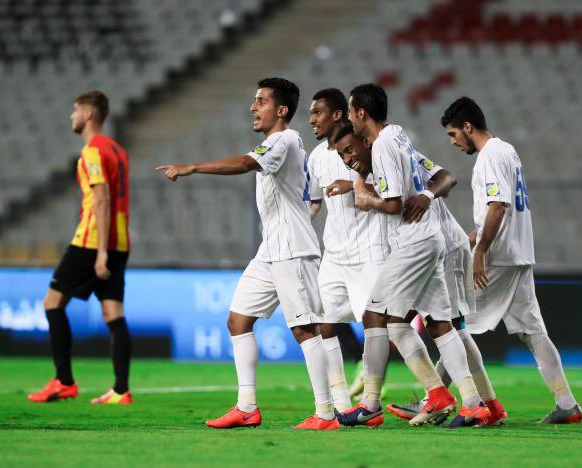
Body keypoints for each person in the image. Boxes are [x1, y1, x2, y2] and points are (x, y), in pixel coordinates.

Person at [156, 78, 338, 430]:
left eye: (261, 101)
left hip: (293, 249)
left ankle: (326, 413)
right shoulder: (277, 143)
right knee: (238, 321)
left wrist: (191, 167)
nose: (253, 108)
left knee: (305, 330)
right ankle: (246, 407)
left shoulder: (285, 139)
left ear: (281, 110)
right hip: (271, 249)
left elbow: (244, 163)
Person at [335, 84, 490, 429]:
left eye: (349, 112)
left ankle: (372, 404)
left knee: (378, 314)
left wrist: (367, 200)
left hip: (414, 242)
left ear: (361, 113)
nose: (348, 118)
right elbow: (435, 176)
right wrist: (420, 191)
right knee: (438, 323)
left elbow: (393, 205)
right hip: (432, 240)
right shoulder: (399, 137)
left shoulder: (385, 145)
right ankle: (471, 402)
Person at [441, 96, 582, 424]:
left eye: (452, 134)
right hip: (519, 253)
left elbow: (497, 207)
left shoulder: (489, 156)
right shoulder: (507, 151)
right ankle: (567, 404)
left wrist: (479, 253)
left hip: (499, 257)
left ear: (467, 126)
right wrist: (469, 239)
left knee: (452, 324)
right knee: (532, 332)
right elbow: (498, 209)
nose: (453, 142)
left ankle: (437, 400)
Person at [387, 150, 508, 426]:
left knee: (440, 325)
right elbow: (443, 179)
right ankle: (485, 404)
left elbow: (446, 179)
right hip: (437, 245)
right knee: (448, 327)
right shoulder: (397, 149)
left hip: (441, 247)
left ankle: (465, 402)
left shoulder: (389, 149)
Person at [29, 90, 133, 405]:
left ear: (88, 115)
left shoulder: (93, 150)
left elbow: (100, 199)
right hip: (121, 238)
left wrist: (99, 252)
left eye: (75, 111)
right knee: (113, 312)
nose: (71, 117)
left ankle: (64, 382)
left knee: (52, 303)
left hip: (91, 240)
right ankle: (120, 390)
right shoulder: (118, 149)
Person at [307, 88, 389, 412]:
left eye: (318, 113)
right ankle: (341, 404)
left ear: (338, 114)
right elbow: (314, 200)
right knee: (324, 325)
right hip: (335, 254)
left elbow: (387, 188)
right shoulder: (315, 157)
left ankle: (372, 402)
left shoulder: (363, 145)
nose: (312, 119)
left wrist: (353, 184)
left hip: (369, 249)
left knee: (375, 323)